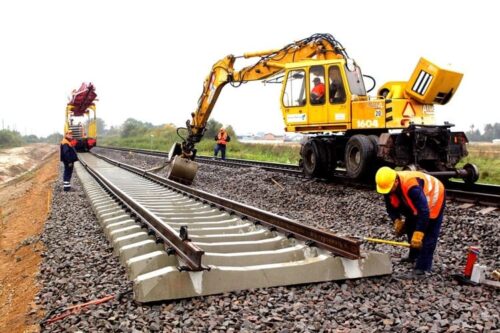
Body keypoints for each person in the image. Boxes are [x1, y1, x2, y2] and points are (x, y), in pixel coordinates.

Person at [375, 166, 445, 279]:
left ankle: (422, 268)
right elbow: (390, 207)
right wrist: (396, 220)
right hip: (418, 199)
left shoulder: (412, 187)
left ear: (396, 181)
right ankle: (414, 255)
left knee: (429, 233)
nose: (387, 193)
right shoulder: (388, 185)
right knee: (410, 224)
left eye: (390, 189)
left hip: (434, 195)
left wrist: (419, 233)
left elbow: (424, 212)